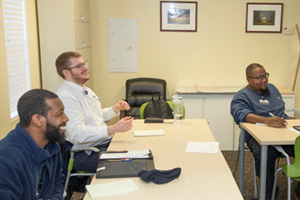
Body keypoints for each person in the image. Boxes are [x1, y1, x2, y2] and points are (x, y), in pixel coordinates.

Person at [231, 63, 300, 200]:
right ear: (248, 79)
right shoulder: (242, 95)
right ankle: (269, 193)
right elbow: (240, 114)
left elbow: (281, 112)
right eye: (259, 77)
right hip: (257, 135)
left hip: (284, 131)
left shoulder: (272, 89)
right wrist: (266, 120)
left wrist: (291, 120)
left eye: (265, 75)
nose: (264, 80)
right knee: (264, 154)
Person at [55, 51, 133, 172]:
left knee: (138, 148)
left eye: (84, 64)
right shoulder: (66, 97)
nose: (85, 68)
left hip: (101, 144)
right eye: (79, 66)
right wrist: (112, 129)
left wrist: (114, 109)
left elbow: (94, 117)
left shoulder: (84, 90)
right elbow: (77, 134)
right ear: (66, 72)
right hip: (85, 154)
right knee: (132, 162)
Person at [0, 89, 68, 199]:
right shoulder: (6, 160)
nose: (66, 119)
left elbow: (57, 181)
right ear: (37, 120)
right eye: (59, 114)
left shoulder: (51, 145)